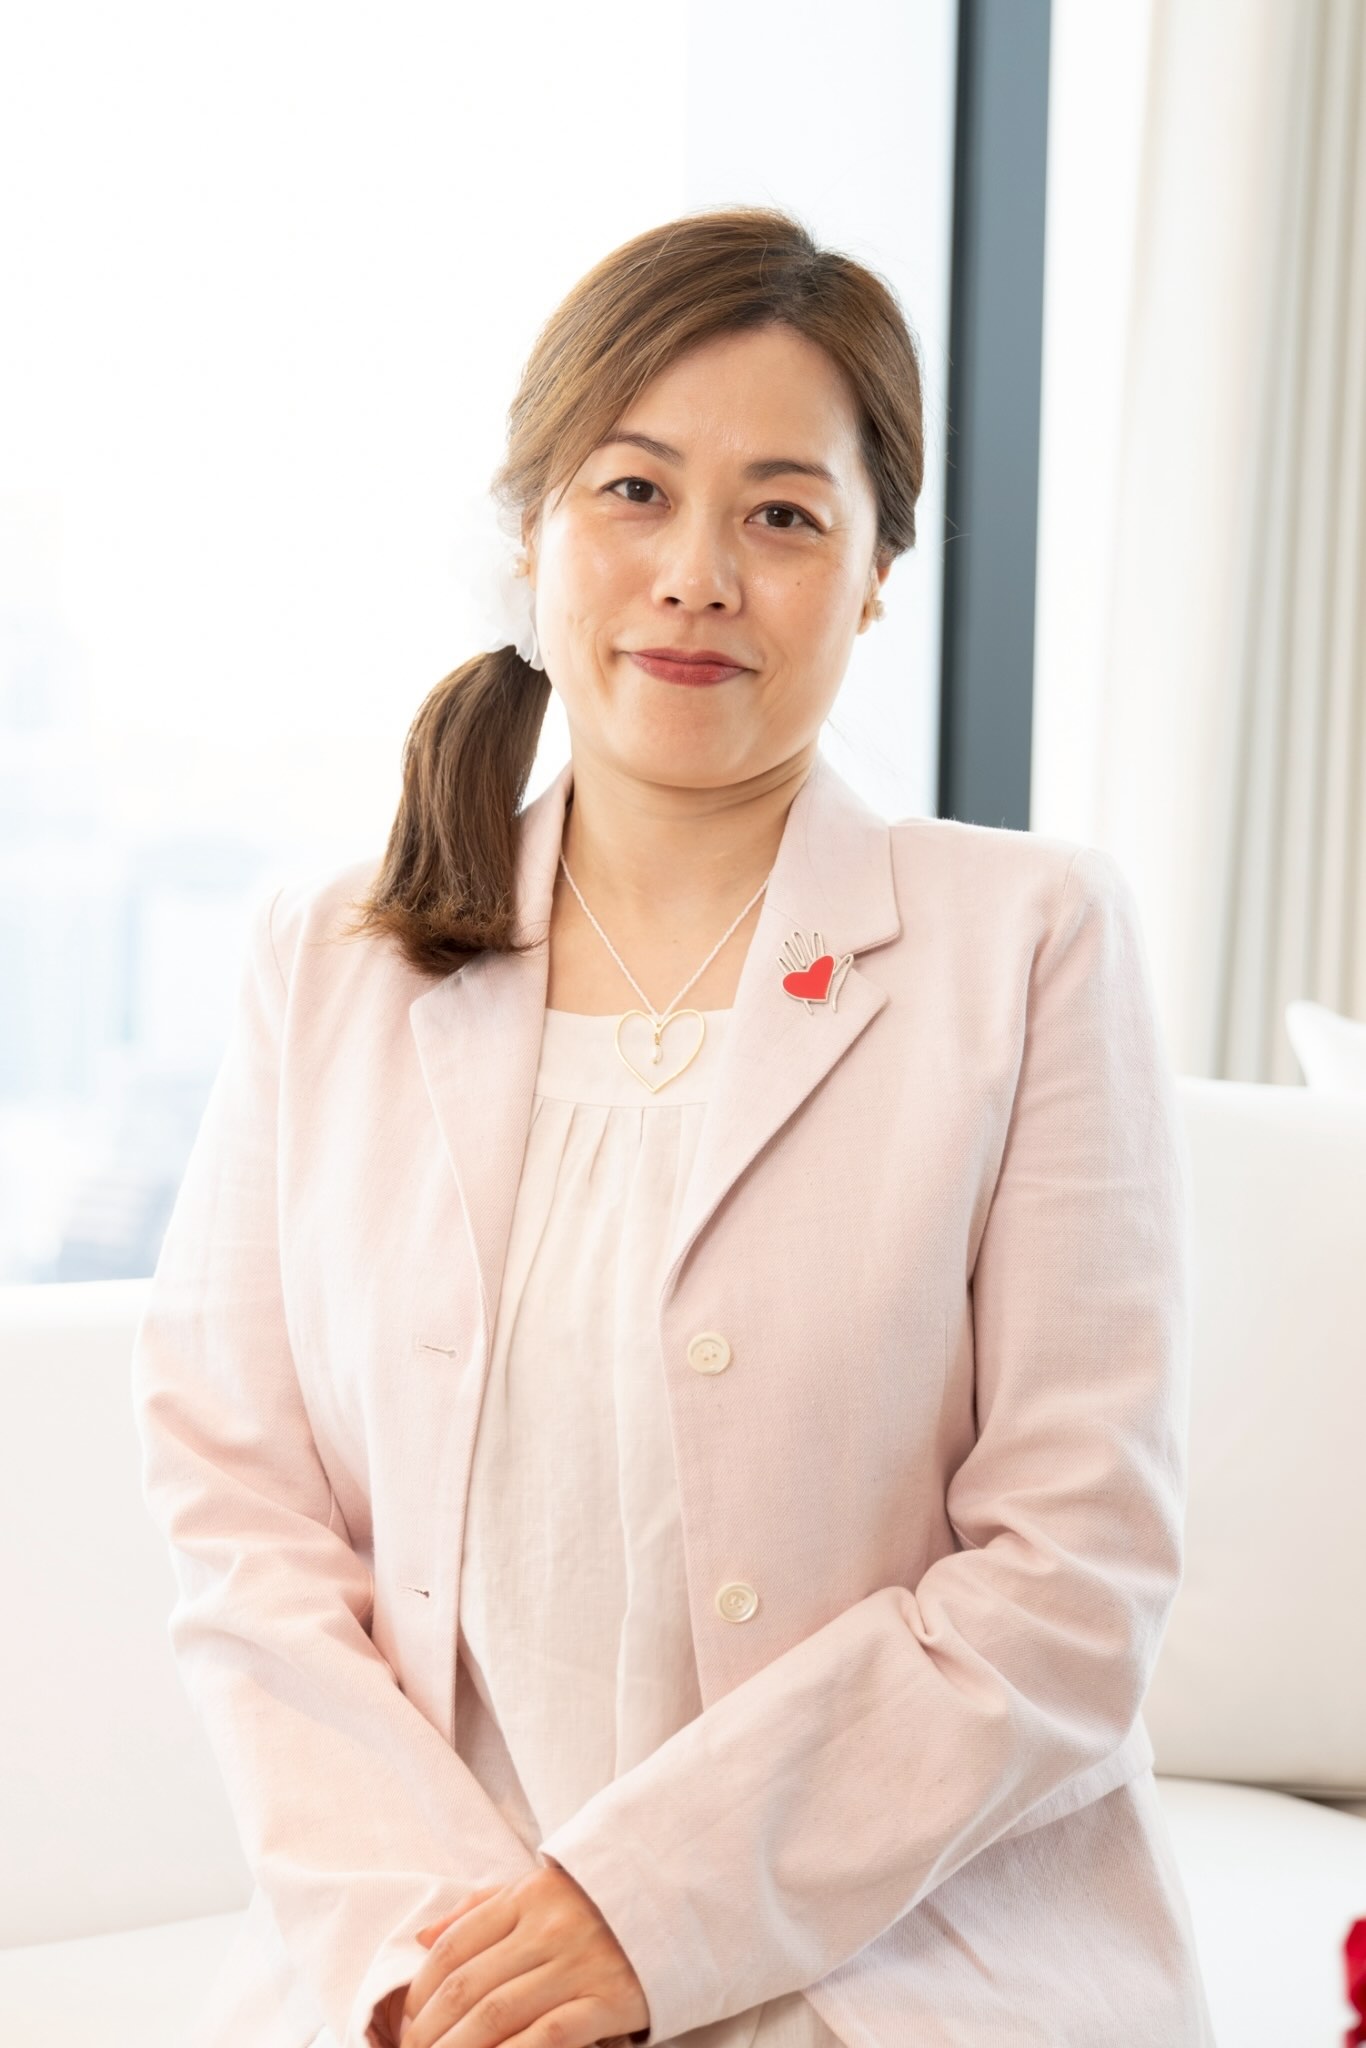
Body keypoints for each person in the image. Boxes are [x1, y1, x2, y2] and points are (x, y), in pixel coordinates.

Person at [131, 204, 1216, 2048]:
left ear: (874, 576)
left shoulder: (1028, 942)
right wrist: (451, 1965)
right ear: (531, 534)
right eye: (633, 492)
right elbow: (242, 1520)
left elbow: (1072, 1573)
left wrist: (642, 1918)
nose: (698, 576)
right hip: (427, 1972)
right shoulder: (327, 962)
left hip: (894, 1970)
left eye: (782, 516)